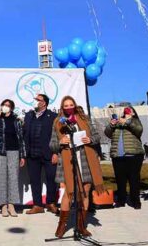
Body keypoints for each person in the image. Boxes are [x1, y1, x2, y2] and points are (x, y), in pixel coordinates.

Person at [50, 96, 104, 239]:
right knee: (69, 192)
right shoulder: (57, 122)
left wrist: (90, 139)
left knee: (85, 191)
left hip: (86, 158)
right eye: (66, 105)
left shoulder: (84, 119)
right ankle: (62, 226)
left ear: (75, 105)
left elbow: (97, 136)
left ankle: (81, 226)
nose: (69, 107)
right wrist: (61, 141)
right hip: (68, 160)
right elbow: (52, 145)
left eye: (71, 104)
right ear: (62, 107)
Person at [0, 99, 26, 217]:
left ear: (12, 108)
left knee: (13, 178)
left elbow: (21, 138)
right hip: (1, 151)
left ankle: (11, 205)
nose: (6, 107)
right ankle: (3, 206)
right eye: (4, 105)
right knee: (1, 178)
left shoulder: (17, 120)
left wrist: (22, 155)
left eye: (8, 105)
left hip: (14, 150)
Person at [23, 93, 58, 215]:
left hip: (48, 154)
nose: (35, 101)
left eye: (38, 100)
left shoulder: (53, 116)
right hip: (32, 154)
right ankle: (38, 205)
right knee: (34, 180)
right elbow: (24, 134)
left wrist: (56, 152)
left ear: (44, 103)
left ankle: (51, 202)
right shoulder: (28, 115)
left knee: (52, 179)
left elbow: (57, 136)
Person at [104, 106, 144, 209]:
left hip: (133, 155)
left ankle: (135, 201)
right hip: (118, 156)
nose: (126, 111)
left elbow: (139, 130)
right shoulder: (118, 122)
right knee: (120, 179)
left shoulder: (135, 121)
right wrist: (111, 125)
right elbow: (107, 133)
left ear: (133, 113)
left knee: (134, 179)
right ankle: (121, 200)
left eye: (129, 110)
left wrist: (128, 121)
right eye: (125, 110)